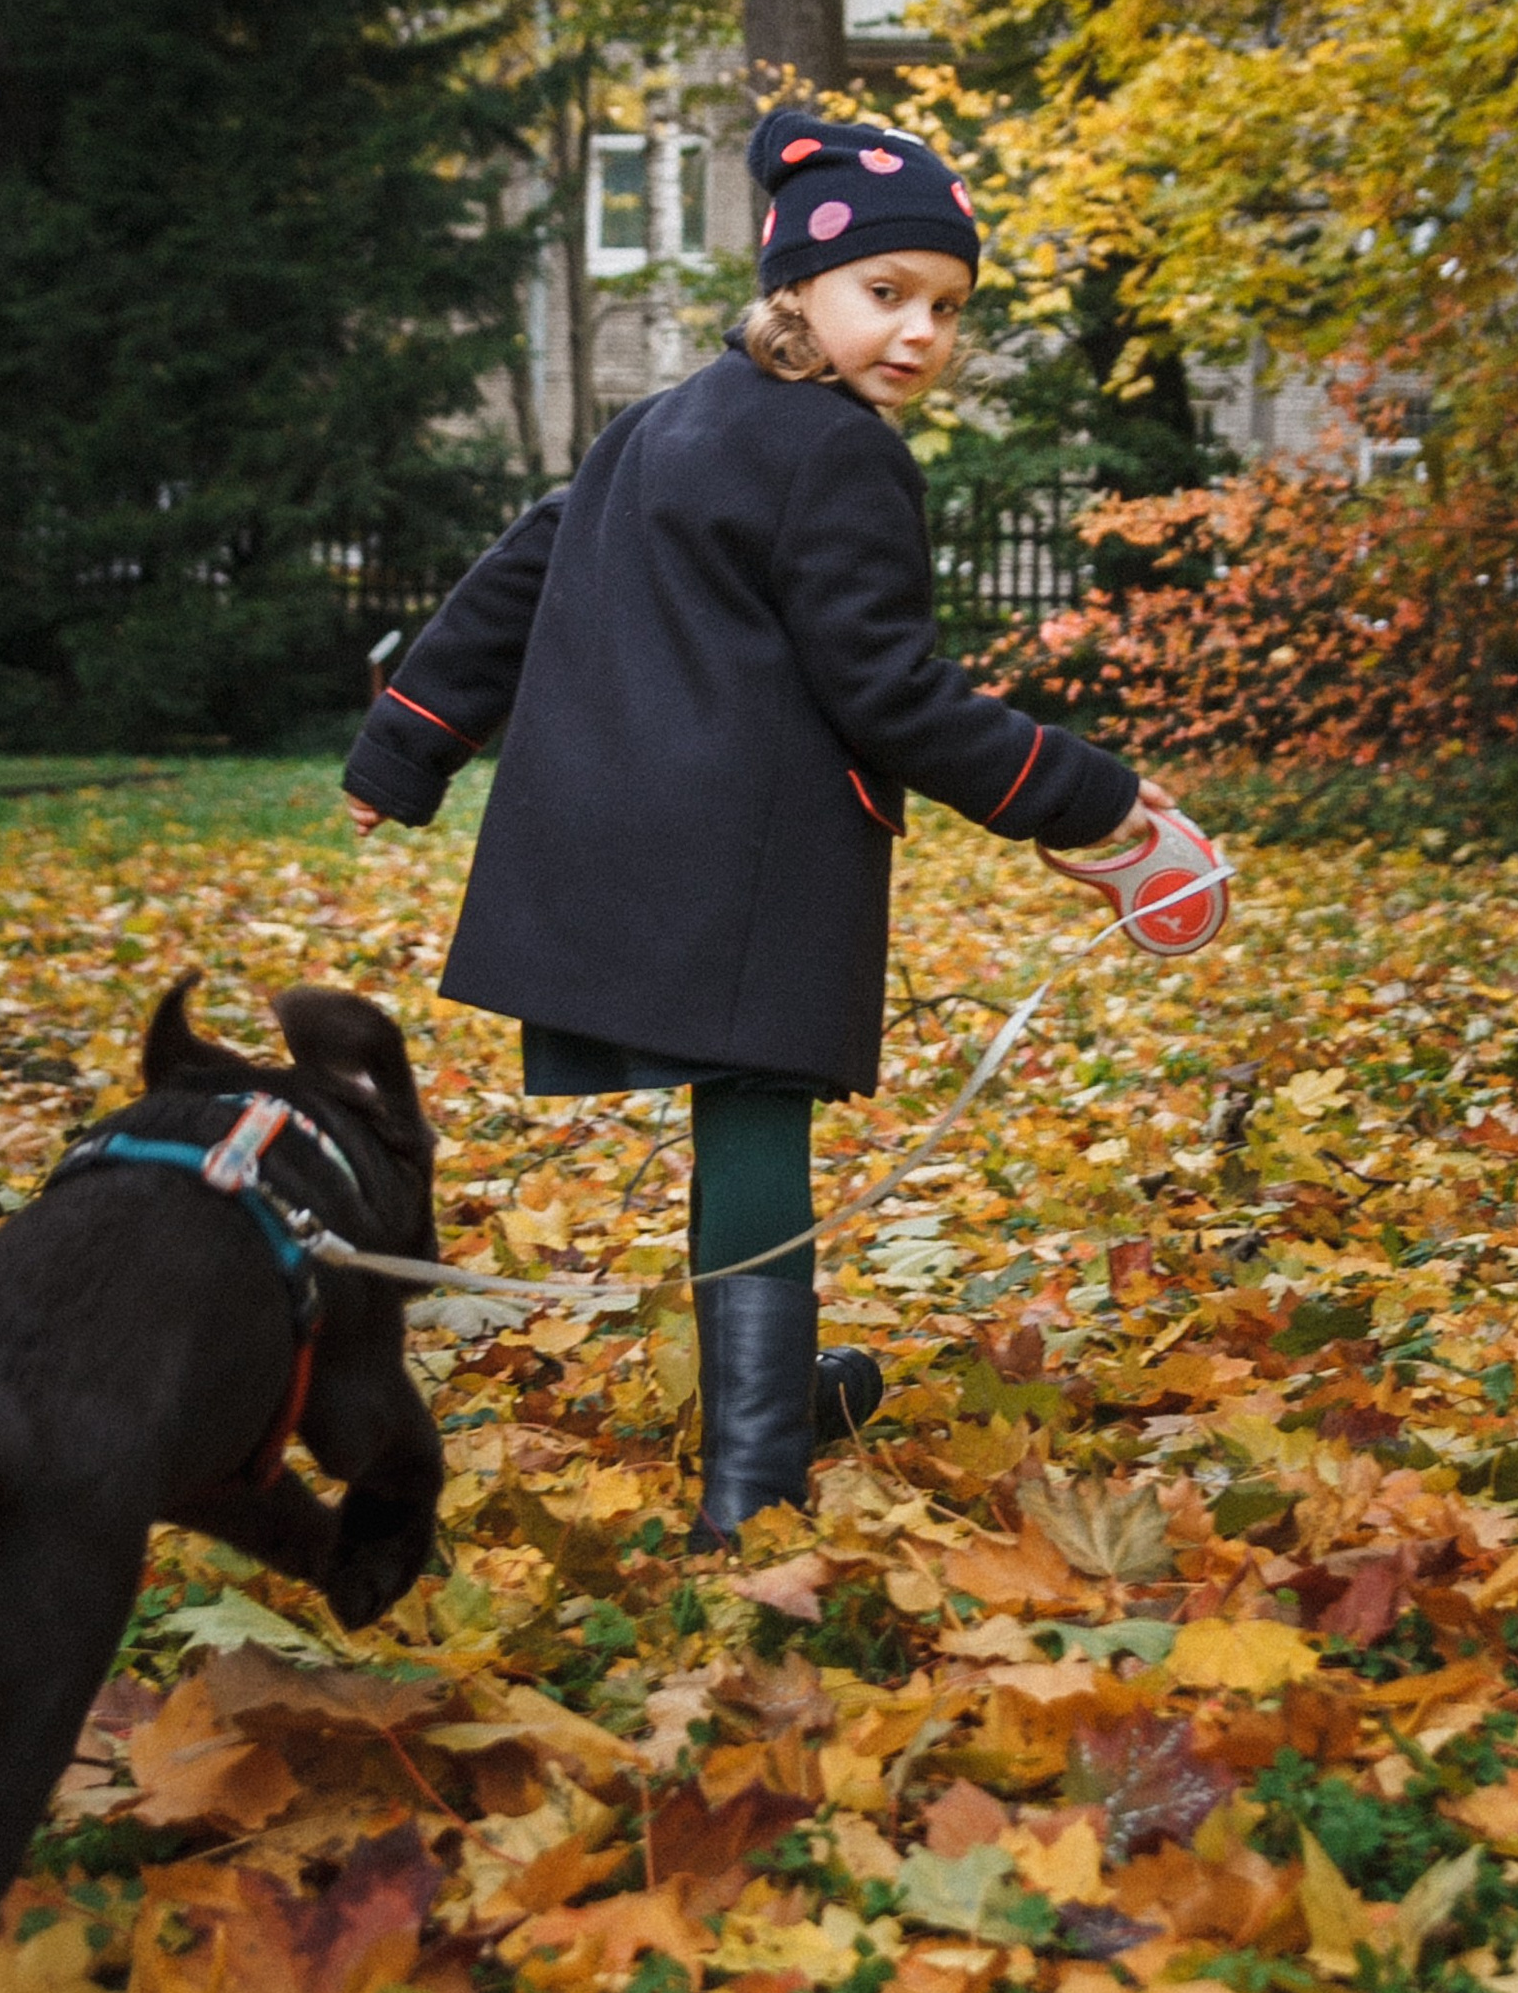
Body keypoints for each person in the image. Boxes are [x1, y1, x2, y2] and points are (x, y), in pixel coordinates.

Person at [341, 104, 1173, 1546]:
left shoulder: (660, 424)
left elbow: (521, 568)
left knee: (740, 1111)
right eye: (886, 292)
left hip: (632, 832)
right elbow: (888, 690)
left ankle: (772, 1399)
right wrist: (1085, 792)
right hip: (755, 852)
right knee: (756, 1119)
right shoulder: (843, 453)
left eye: (946, 307)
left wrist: (403, 746)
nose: (919, 332)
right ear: (797, 286)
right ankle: (754, 1475)